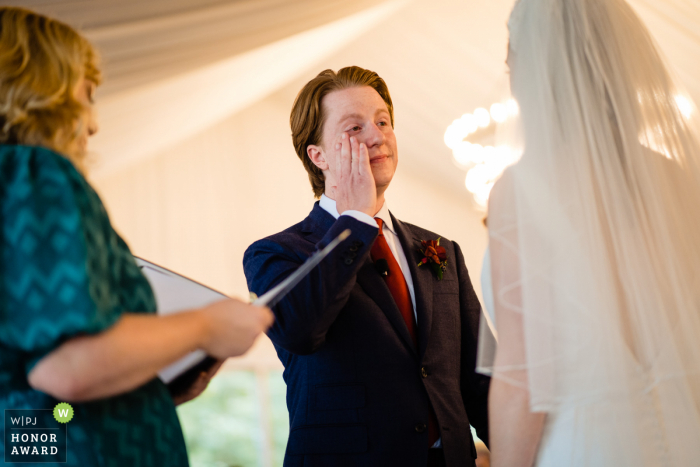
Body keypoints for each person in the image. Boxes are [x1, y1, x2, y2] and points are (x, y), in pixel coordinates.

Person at [0, 7, 273, 466]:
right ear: (46, 93)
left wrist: (159, 367)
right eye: (87, 95)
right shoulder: (36, 173)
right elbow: (65, 367)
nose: (93, 124)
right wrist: (208, 325)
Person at [479, 0, 700, 465]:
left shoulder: (524, 190)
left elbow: (521, 385)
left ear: (540, 70)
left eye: (511, 60)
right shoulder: (678, 179)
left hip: (586, 448)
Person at [243, 66, 490, 467]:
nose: (378, 136)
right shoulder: (275, 253)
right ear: (318, 155)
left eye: (382, 121)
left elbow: (480, 377)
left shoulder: (442, 249)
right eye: (354, 128)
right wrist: (356, 222)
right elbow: (301, 331)